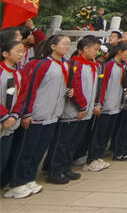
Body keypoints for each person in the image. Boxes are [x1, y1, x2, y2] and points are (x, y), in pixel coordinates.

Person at [5, 35, 71, 199]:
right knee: (27, 150)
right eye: (64, 43)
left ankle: (29, 179)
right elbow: (30, 88)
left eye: (69, 44)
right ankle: (16, 183)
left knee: (39, 150)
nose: (67, 46)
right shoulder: (43, 64)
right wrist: (27, 112)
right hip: (36, 114)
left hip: (53, 114)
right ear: (53, 46)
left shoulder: (64, 64)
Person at [47, 35, 102, 184]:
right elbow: (74, 87)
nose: (96, 53)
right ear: (85, 49)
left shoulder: (93, 65)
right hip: (73, 111)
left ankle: (66, 168)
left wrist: (94, 104)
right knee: (64, 142)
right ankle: (55, 171)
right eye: (95, 49)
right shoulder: (75, 64)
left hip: (86, 112)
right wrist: (81, 106)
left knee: (73, 143)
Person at [0, 37, 24, 188]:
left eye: (22, 52)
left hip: (11, 122)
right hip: (4, 119)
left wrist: (14, 115)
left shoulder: (17, 74)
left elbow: (20, 96)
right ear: (5, 54)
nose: (21, 54)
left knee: (4, 157)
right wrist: (4, 116)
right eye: (17, 51)